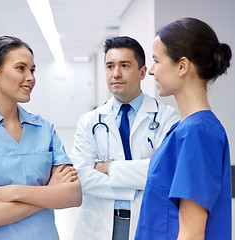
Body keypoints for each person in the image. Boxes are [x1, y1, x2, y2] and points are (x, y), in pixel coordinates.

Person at [0, 36, 82, 240]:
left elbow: (73, 195)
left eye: (32, 70)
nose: (31, 77)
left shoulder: (44, 129)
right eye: (21, 68)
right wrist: (49, 193)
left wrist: (15, 192)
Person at [72, 36, 180, 240]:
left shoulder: (167, 118)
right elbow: (81, 178)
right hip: (99, 224)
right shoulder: (89, 122)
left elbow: (165, 173)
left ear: (142, 72)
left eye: (124, 65)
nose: (116, 73)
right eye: (110, 66)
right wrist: (135, 186)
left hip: (147, 220)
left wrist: (108, 168)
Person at [135, 17, 232, 239]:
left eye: (156, 61)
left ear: (182, 66)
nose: (151, 71)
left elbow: (191, 234)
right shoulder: (185, 129)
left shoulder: (198, 133)